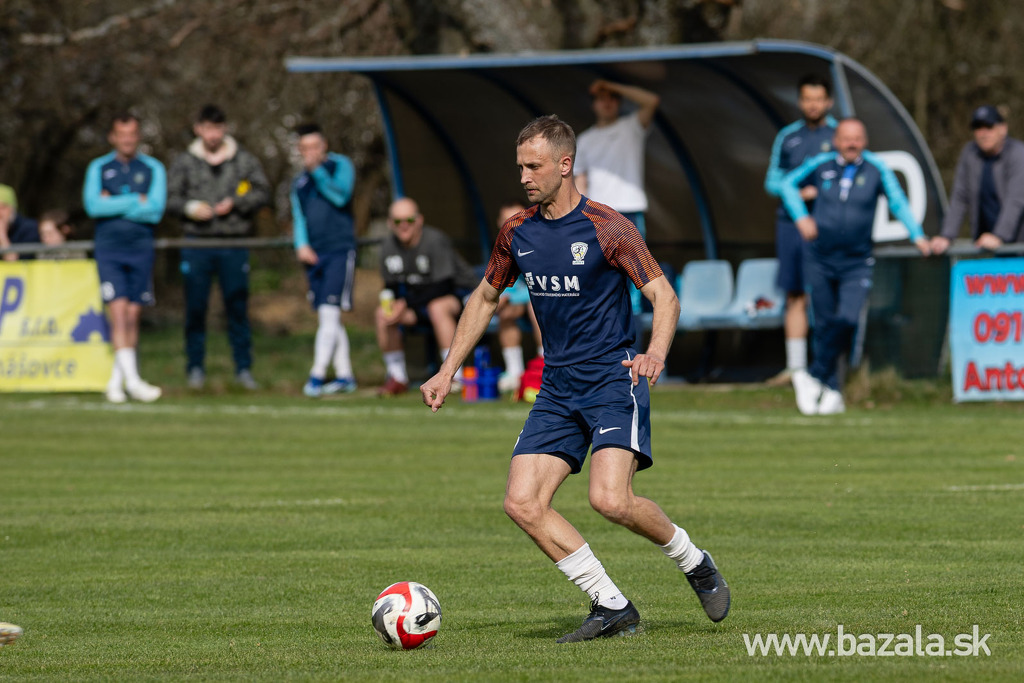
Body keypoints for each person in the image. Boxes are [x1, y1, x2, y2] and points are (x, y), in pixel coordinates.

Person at [421, 115, 730, 643]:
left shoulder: (609, 227)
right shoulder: (517, 232)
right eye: (520, 166)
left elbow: (664, 295)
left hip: (613, 379)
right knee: (522, 502)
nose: (524, 176)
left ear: (565, 165)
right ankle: (611, 605)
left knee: (611, 501)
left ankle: (693, 561)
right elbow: (486, 297)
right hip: (557, 387)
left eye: (534, 166)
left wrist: (655, 353)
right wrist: (447, 370)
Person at [780, 118, 930, 416]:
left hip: (856, 262)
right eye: (846, 138)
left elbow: (898, 202)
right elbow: (785, 185)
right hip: (820, 258)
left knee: (847, 320)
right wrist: (801, 216)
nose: (851, 144)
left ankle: (814, 375)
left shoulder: (876, 169)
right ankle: (832, 390)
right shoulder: (821, 164)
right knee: (824, 324)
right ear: (836, 141)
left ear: (865, 141)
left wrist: (917, 235)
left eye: (857, 138)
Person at [167, 104, 270, 391]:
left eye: (217, 128)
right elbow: (170, 199)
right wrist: (189, 208)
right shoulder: (184, 162)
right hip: (196, 243)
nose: (213, 135)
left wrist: (236, 203)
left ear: (225, 128)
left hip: (233, 243)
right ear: (198, 129)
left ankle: (243, 370)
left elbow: (263, 192)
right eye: (207, 129)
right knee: (195, 309)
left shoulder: (244, 160)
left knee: (237, 307)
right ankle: (195, 369)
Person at [83, 113, 166, 403]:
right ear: (113, 137)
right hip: (110, 249)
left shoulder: (153, 168)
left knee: (132, 316)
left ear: (138, 136)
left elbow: (155, 210)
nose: (127, 140)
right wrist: (134, 201)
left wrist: (114, 202)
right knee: (118, 313)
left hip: (141, 248)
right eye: (122, 134)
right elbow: (93, 206)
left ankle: (116, 382)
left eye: (132, 134)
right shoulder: (99, 167)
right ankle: (133, 381)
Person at [763, 73, 838, 386]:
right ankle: (795, 368)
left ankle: (827, 367)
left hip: (827, 225)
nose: (813, 105)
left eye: (818, 99)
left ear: (829, 102)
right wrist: (794, 191)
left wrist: (822, 192)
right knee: (795, 294)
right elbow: (771, 182)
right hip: (790, 225)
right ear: (800, 101)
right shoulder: (788, 137)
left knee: (826, 294)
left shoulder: (839, 135)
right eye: (808, 99)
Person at [574, 79, 660, 314]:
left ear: (619, 102)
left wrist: (612, 85)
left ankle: (633, 331)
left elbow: (651, 101)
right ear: (593, 104)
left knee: (636, 274)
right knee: (600, 274)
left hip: (629, 211)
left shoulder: (631, 126)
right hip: (598, 216)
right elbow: (580, 181)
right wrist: (579, 218)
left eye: (612, 98)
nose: (607, 103)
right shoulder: (584, 139)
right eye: (601, 98)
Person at [376, 197, 474, 397]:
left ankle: (453, 375)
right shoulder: (387, 246)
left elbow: (443, 285)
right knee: (382, 313)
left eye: (409, 220)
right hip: (419, 303)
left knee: (437, 307)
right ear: (390, 223)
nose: (403, 225)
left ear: (419, 220)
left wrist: (405, 303)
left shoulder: (435, 240)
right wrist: (394, 306)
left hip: (458, 296)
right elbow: (391, 286)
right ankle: (397, 377)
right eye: (397, 221)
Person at [290, 123, 359, 398]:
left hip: (339, 250)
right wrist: (301, 244)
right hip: (314, 254)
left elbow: (340, 196)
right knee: (327, 315)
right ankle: (345, 376)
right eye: (304, 148)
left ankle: (316, 376)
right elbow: (298, 216)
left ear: (324, 146)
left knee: (329, 313)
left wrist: (317, 171)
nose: (310, 152)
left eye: (314, 147)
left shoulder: (340, 166)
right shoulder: (299, 181)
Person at [930, 105, 1024, 254]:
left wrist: (999, 236)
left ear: (1003, 129)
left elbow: (1016, 200)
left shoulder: (1018, 153)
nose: (983, 133)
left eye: (989, 126)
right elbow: (959, 197)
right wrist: (946, 236)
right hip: (987, 246)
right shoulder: (970, 154)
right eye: (978, 127)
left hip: (1017, 243)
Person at [493, 199, 543, 392]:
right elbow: (503, 283)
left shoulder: (540, 243)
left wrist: (512, 296)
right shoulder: (501, 248)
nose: (512, 226)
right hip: (519, 298)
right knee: (505, 312)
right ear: (499, 223)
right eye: (507, 221)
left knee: (536, 304)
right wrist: (504, 298)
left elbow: (541, 282)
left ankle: (546, 362)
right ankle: (514, 371)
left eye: (517, 220)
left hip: (540, 297)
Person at [0, 184, 40, 261]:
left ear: (13, 208)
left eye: (3, 208)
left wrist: (2, 237)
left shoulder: (30, 229)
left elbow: (16, 263)